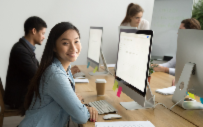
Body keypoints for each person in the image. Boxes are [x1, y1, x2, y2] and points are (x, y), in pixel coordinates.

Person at [19, 22, 98, 127]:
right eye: (65, 43)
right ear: (54, 47)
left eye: (76, 41)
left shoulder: (63, 68)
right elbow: (81, 117)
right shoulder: (55, 74)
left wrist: (76, 103)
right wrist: (85, 108)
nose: (73, 48)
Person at [4, 16, 47, 109]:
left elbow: (38, 71)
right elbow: (37, 75)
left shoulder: (26, 48)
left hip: (22, 95)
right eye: (43, 33)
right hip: (18, 99)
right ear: (34, 31)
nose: (44, 37)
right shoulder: (20, 51)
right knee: (55, 99)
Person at [152, 18, 201, 86]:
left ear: (189, 32)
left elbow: (190, 73)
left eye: (181, 30)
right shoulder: (183, 46)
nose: (177, 32)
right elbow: (170, 64)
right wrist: (154, 66)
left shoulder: (198, 50)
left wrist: (166, 70)